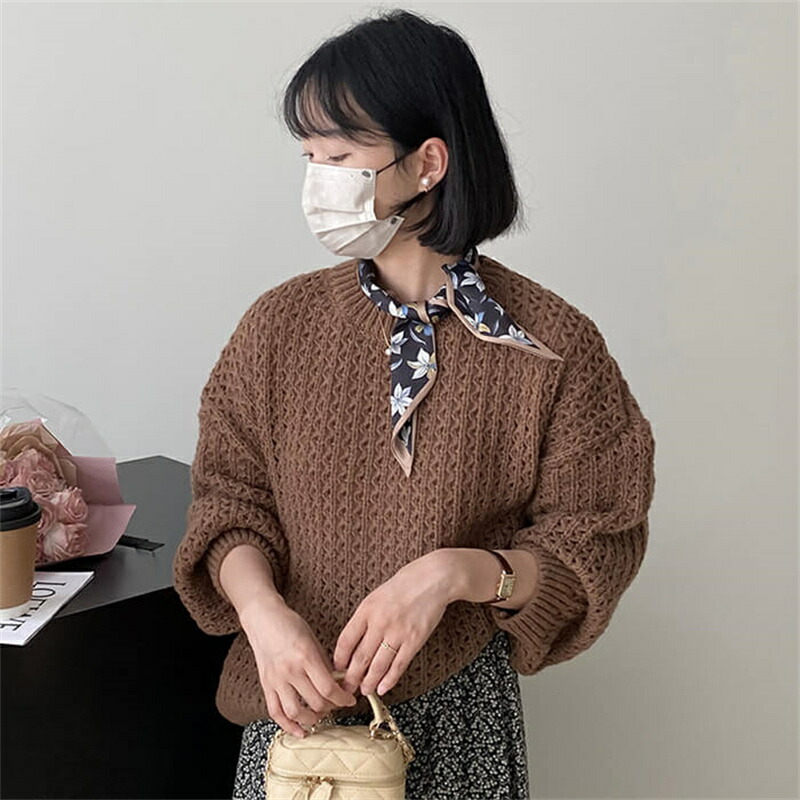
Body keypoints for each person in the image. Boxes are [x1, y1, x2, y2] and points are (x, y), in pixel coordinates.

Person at [172, 8, 656, 800]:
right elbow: (229, 505)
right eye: (308, 156)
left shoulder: (554, 348)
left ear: (428, 162)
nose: (318, 180)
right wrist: (263, 616)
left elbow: (594, 542)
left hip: (462, 724)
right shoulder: (277, 328)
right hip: (293, 722)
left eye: (340, 155)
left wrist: (455, 573)